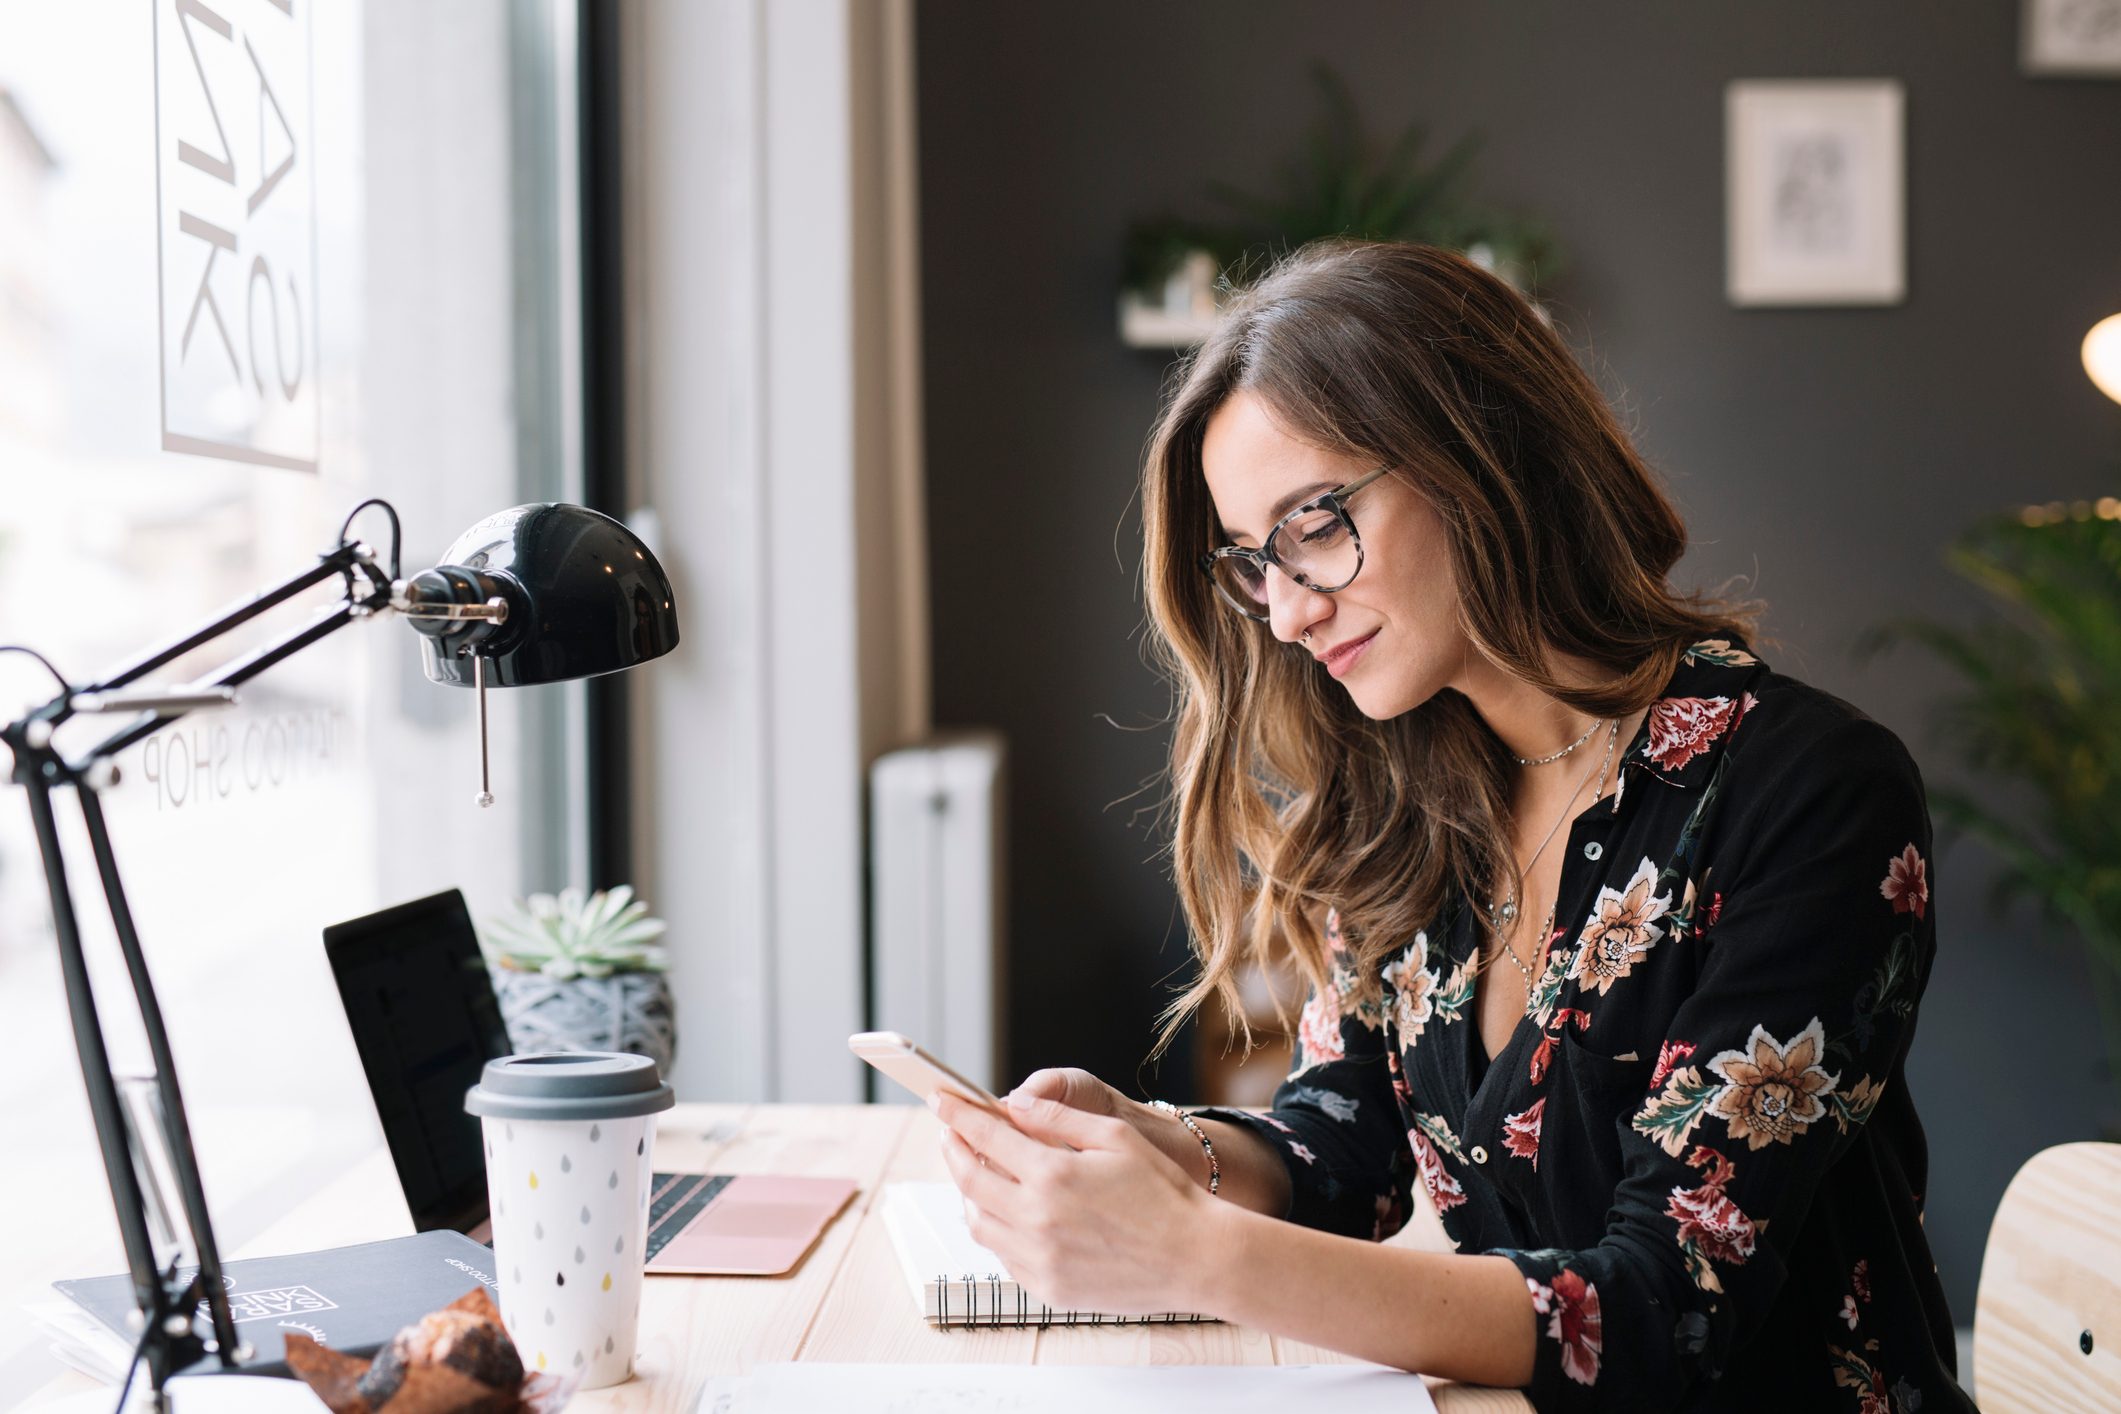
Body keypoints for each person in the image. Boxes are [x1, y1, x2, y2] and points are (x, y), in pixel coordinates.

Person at [930, 239, 1976, 1412]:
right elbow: (1348, 1152)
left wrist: (1190, 1248)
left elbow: (1664, 1314)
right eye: (1252, 563)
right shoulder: (1397, 801)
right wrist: (1176, 1151)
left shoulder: (1812, 793)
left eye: (1314, 525)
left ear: (1478, 455)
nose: (1284, 611)